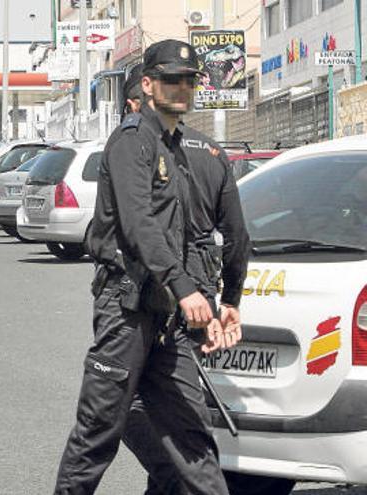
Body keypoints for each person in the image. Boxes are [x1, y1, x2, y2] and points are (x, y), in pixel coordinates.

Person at [54, 40, 239, 495]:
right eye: (172, 78)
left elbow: (202, 237)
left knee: (193, 439)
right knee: (98, 434)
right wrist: (185, 287)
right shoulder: (133, 139)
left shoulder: (177, 146)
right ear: (149, 84)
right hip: (127, 309)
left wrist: (223, 300)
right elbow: (139, 224)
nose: (182, 87)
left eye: (189, 79)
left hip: (166, 316)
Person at [114, 56, 251, 495]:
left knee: (135, 399)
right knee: (177, 406)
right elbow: (237, 237)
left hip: (152, 294)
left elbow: (137, 229)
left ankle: (179, 479)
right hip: (199, 293)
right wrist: (230, 300)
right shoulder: (212, 152)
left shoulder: (142, 149)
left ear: (138, 102)